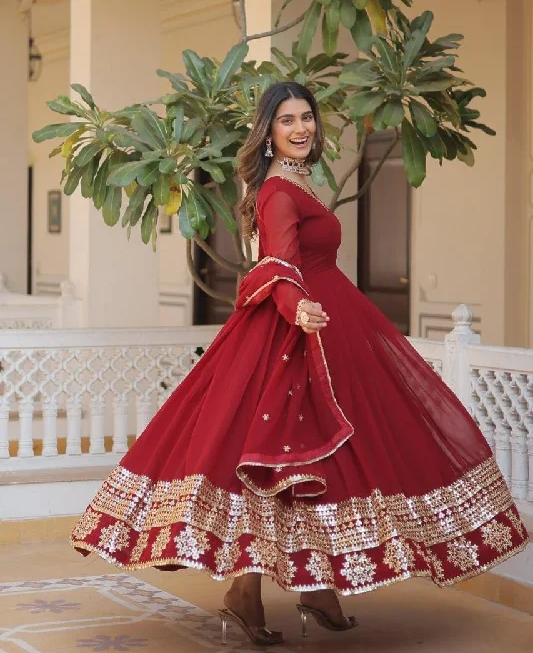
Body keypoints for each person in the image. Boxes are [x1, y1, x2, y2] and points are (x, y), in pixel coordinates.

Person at [71, 82, 529, 648]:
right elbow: (276, 265)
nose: (301, 128)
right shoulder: (278, 191)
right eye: (286, 120)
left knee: (325, 464)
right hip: (293, 333)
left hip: (333, 326)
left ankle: (314, 588)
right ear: (268, 133)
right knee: (272, 464)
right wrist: (298, 308)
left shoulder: (299, 180)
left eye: (306, 117)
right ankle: (245, 596)